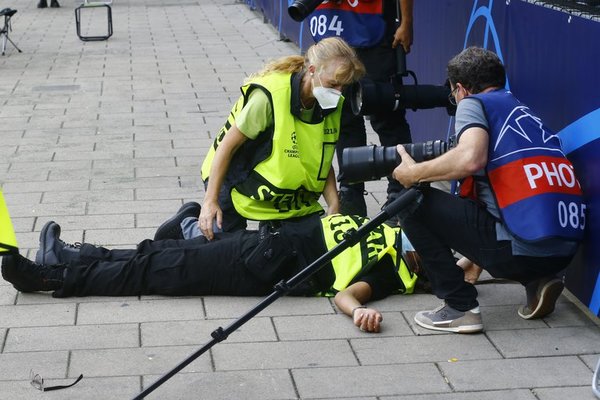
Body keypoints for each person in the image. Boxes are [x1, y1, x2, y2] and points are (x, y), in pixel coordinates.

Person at [392, 46, 585, 333]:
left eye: (453, 95)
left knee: (407, 201)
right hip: (564, 250)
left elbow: (470, 158)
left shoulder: (474, 103)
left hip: (521, 251)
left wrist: (413, 174)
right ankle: (540, 280)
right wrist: (474, 257)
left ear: (460, 89)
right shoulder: (520, 109)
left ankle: (460, 307)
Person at [2, 210, 423, 333]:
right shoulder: (391, 229)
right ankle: (70, 257)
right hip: (261, 243)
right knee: (158, 250)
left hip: (260, 266)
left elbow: (345, 296)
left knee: (154, 270)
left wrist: (359, 313)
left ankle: (47, 278)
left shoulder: (392, 268)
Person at [157, 37, 365, 242]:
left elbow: (322, 157)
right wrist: (210, 201)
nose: (338, 93)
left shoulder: (330, 103)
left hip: (278, 188)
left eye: (343, 86)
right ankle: (187, 226)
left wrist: (333, 205)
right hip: (234, 174)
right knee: (224, 246)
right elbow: (226, 148)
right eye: (333, 84)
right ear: (312, 71)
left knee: (298, 245)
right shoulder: (269, 97)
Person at [307, 0, 414, 218]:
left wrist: (406, 22)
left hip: (375, 31)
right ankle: (351, 193)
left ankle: (400, 192)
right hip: (331, 28)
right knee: (342, 117)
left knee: (387, 114)